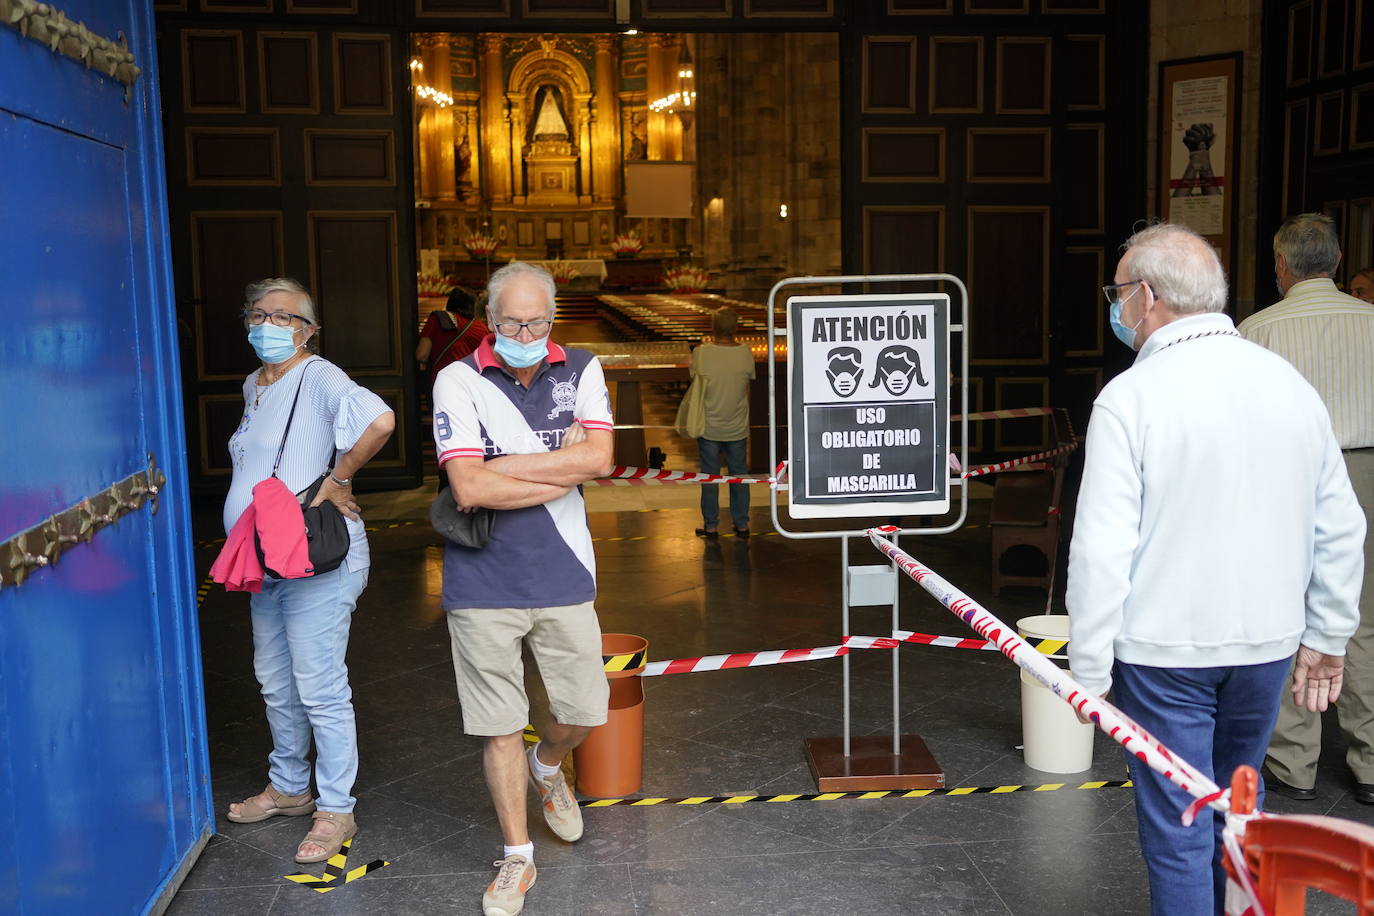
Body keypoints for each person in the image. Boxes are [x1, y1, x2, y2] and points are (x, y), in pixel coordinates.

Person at [1066, 223, 1365, 916]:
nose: (1116, 308)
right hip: (1266, 646)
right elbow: (1342, 525)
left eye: (1117, 292)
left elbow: (1102, 549)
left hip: (1163, 654)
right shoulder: (1288, 385)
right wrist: (1325, 633)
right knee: (1236, 812)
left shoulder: (1130, 399)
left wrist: (1085, 674)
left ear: (1146, 296)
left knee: (1178, 828)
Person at [431, 261, 614, 916]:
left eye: (537, 321)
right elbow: (470, 488)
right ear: (491, 317)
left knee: (585, 711)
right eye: (512, 321)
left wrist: (511, 466)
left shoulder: (583, 368)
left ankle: (549, 766)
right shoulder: (459, 380)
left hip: (564, 569)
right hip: (481, 580)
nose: (525, 331)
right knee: (498, 726)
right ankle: (517, 857)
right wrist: (558, 469)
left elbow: (599, 459)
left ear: (552, 319)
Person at [222, 278, 395, 863]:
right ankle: (290, 788)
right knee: (274, 678)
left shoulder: (317, 374)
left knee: (319, 684)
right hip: (266, 557)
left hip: (318, 555)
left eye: (286, 317)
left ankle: (336, 808)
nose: (270, 325)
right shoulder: (254, 383)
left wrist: (338, 478)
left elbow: (379, 420)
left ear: (309, 330)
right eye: (259, 314)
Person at [1238, 213, 1374, 803]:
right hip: (1369, 469)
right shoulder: (1372, 321)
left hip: (1286, 475)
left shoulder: (1258, 330)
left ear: (1280, 266)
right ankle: (1370, 760)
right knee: (1365, 616)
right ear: (1338, 262)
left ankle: (1294, 762)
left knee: (1290, 611)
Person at [690, 307, 756, 538]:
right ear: (736, 327)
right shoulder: (745, 352)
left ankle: (711, 525)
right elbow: (747, 387)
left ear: (713, 327)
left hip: (709, 425)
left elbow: (695, 380)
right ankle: (742, 523)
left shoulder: (701, 353)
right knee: (739, 475)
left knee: (710, 476)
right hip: (736, 424)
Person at [417, 285, 488, 389]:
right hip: (471, 384)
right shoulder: (481, 328)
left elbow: (421, 355)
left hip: (443, 382)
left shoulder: (437, 320)